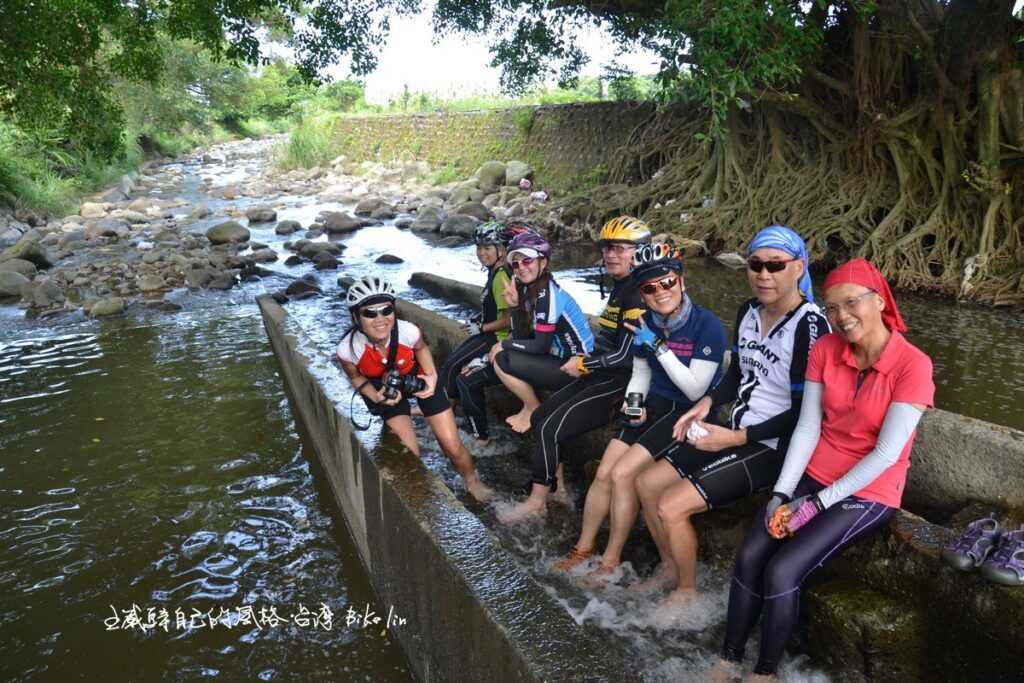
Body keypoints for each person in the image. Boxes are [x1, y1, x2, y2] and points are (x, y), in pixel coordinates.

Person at [709, 258, 934, 682]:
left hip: (869, 491)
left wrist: (815, 505)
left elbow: (887, 454)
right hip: (814, 474)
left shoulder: (913, 365)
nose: (841, 317)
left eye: (851, 303)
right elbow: (810, 427)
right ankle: (728, 657)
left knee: (783, 569)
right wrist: (782, 493)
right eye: (831, 307)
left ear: (880, 301)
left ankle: (765, 672)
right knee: (752, 551)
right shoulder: (826, 348)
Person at [628, 226, 827, 611]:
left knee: (671, 505)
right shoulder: (748, 311)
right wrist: (706, 401)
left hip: (774, 447)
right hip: (734, 429)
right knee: (646, 483)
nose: (764, 275)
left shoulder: (810, 325)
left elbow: (808, 414)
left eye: (775, 265)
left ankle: (687, 592)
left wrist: (733, 440)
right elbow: (736, 375)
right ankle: (670, 568)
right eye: (756, 265)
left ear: (798, 267)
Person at [552, 242, 727, 578]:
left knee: (621, 475)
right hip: (653, 407)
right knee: (604, 472)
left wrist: (658, 346)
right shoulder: (646, 320)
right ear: (642, 294)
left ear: (681, 281)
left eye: (667, 283)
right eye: (649, 288)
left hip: (685, 412)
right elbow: (641, 374)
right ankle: (584, 547)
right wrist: (633, 408)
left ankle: (610, 561)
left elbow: (695, 389)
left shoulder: (707, 326)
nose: (660, 292)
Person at [498, 216, 650, 524]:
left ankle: (537, 500)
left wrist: (585, 362)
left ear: (642, 252)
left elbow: (629, 354)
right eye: (607, 248)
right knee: (541, 417)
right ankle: (555, 491)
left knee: (548, 426)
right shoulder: (623, 286)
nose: (610, 255)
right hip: (601, 374)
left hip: (618, 384)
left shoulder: (638, 292)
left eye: (620, 249)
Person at [335, 276, 493, 501]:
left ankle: (472, 482)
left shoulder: (408, 331)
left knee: (451, 445)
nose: (380, 319)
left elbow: (421, 349)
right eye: (370, 313)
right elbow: (356, 378)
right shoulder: (348, 349)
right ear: (356, 317)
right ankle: (419, 495)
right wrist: (377, 397)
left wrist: (431, 377)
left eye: (386, 310)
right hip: (384, 388)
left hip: (415, 377)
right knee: (409, 454)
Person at [492, 231, 594, 435]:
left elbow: (540, 346)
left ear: (543, 262)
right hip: (559, 358)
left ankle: (533, 408)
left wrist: (504, 344)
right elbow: (522, 338)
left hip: (577, 368)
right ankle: (529, 406)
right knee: (501, 355)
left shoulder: (547, 295)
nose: (521, 268)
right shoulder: (533, 291)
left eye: (527, 260)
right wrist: (514, 307)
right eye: (516, 264)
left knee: (502, 358)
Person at [433, 221, 513, 442]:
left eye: (487, 248)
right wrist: (480, 318)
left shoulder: (501, 278)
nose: (481, 253)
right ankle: (448, 414)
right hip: (489, 333)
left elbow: (508, 319)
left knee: (454, 370)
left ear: (502, 250)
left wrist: (481, 327)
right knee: (451, 366)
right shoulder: (495, 272)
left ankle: (451, 419)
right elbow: (496, 310)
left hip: (497, 338)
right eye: (478, 248)